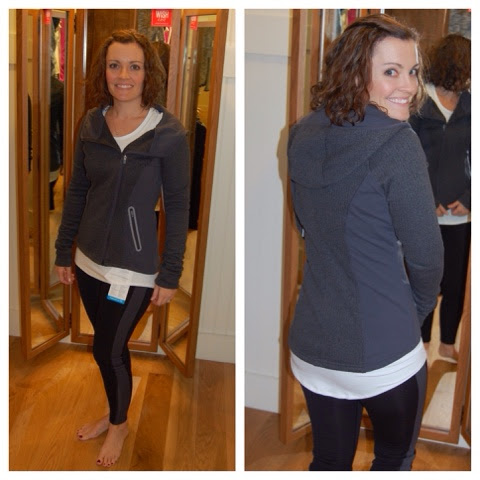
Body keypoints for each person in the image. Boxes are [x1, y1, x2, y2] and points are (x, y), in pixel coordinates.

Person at [287, 14, 443, 471]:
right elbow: (427, 257)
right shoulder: (398, 142)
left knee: (329, 461)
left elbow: (305, 225)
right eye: (391, 71)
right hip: (383, 352)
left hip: (313, 348)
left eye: (412, 71)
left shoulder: (301, 132)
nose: (408, 86)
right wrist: (413, 314)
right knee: (394, 460)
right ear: (355, 73)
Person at [54, 29, 190, 467]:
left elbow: (178, 206)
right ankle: (114, 411)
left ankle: (118, 424)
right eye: (115, 65)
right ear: (104, 71)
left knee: (108, 349)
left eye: (134, 66)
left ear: (148, 73)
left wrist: (170, 273)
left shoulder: (168, 133)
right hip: (88, 259)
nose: (124, 75)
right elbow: (78, 190)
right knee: (107, 348)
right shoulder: (91, 124)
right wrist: (63, 250)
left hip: (134, 267)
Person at [409, 34, 471, 362]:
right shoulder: (420, 102)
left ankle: (447, 343)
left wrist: (470, 198)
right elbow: (409, 157)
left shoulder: (470, 105)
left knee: (456, 284)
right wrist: (426, 199)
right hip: (425, 210)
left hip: (460, 214)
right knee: (424, 280)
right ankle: (419, 344)